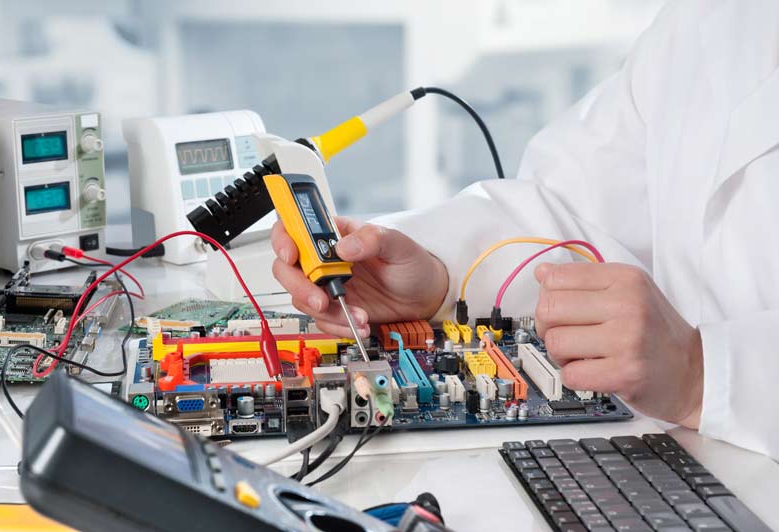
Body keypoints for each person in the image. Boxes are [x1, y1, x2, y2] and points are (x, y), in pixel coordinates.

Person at [271, 0, 779, 461]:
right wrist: (440, 276)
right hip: (680, 465)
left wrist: (705, 375)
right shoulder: (713, 19)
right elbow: (567, 209)